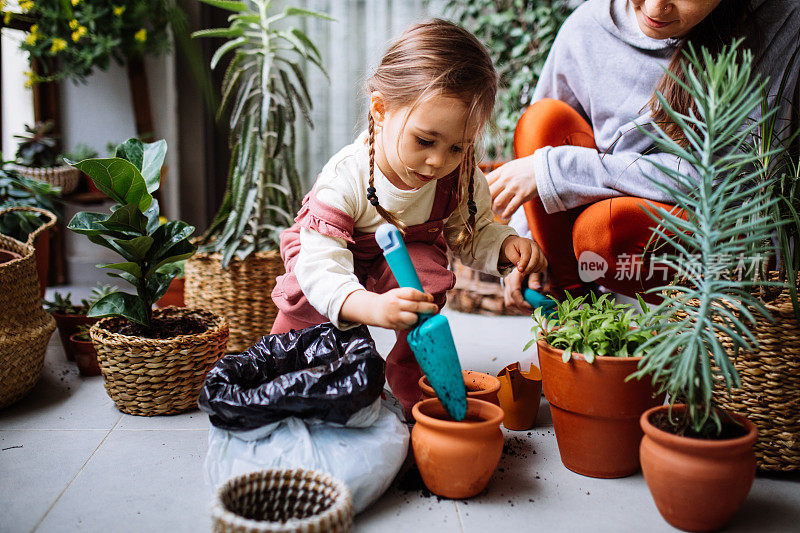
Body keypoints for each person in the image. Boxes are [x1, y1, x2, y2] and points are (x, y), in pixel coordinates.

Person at [270, 19, 547, 414]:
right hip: (328, 263)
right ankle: (294, 380)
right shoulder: (344, 178)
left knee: (425, 281)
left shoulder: (460, 176)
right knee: (306, 315)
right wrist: (368, 306)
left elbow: (471, 232)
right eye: (425, 141)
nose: (438, 162)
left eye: (457, 147)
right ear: (380, 110)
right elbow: (321, 267)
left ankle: (414, 385)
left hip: (400, 259)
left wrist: (504, 245)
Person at [487, 0, 800, 309]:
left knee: (604, 231)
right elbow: (538, 151)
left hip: (712, 227)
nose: (654, 8)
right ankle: (575, 308)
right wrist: (522, 238)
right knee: (541, 121)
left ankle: (688, 323)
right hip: (610, 201)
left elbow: (730, 179)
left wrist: (561, 171)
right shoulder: (589, 24)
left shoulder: (779, 20)